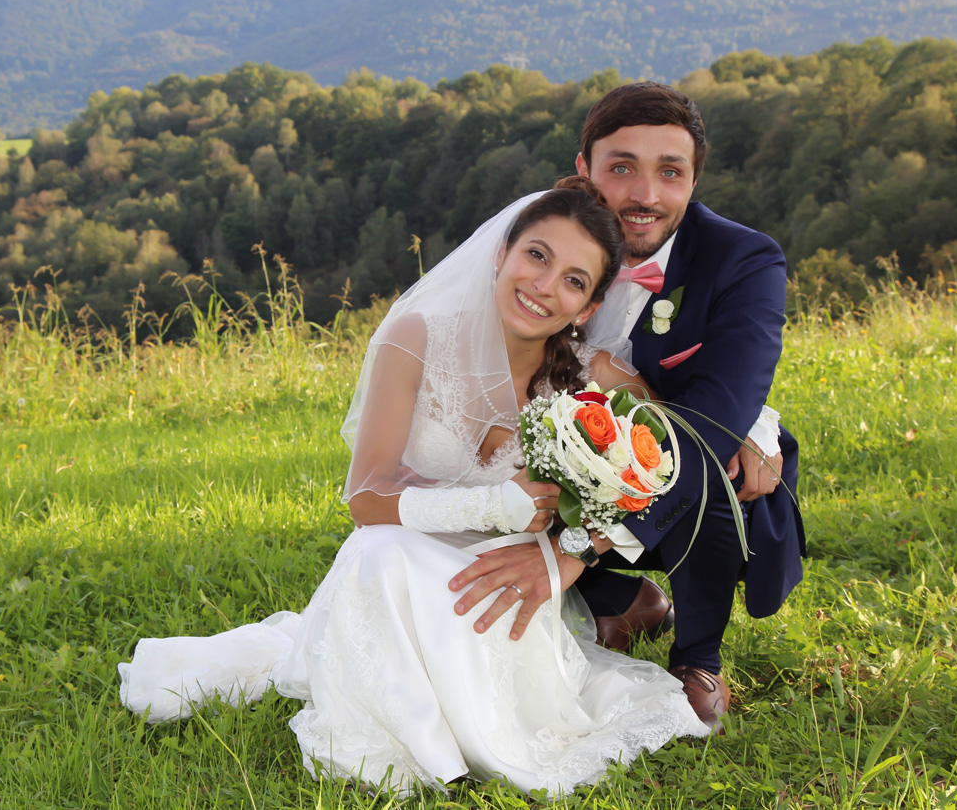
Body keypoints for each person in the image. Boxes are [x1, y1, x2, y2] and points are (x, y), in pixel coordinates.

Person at [117, 178, 710, 798]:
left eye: (573, 280)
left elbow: (668, 471)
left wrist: (574, 553)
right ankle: (414, 744)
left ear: (587, 308)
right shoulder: (416, 338)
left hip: (505, 582)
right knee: (376, 549)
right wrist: (494, 501)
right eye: (537, 255)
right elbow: (366, 501)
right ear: (502, 252)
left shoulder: (596, 380)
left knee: (377, 555)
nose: (543, 285)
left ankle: (444, 735)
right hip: (396, 563)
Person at [448, 82, 804, 734]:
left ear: (694, 178)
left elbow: (706, 425)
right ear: (583, 168)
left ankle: (697, 658)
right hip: (561, 441)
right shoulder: (543, 242)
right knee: (496, 456)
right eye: (621, 168)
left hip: (681, 458)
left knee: (715, 467)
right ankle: (622, 599)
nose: (645, 195)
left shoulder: (743, 261)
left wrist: (574, 551)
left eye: (670, 172)